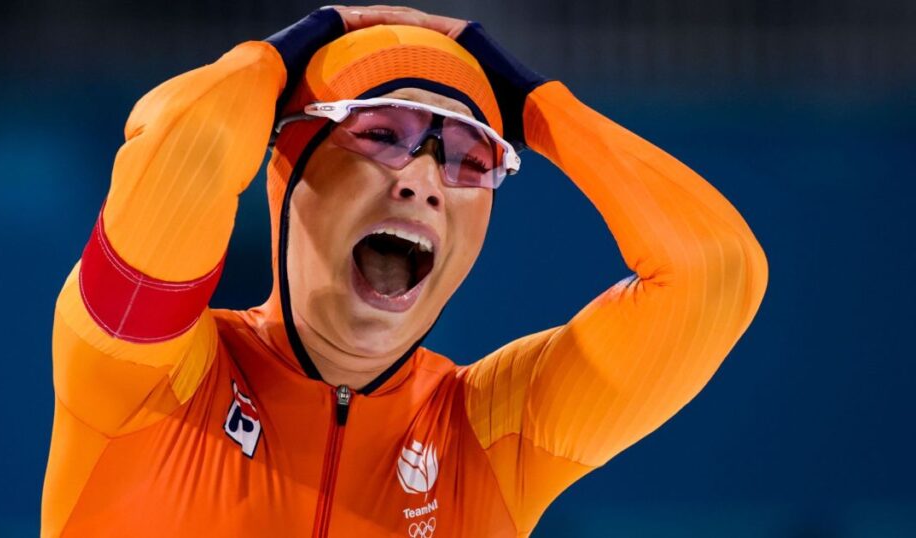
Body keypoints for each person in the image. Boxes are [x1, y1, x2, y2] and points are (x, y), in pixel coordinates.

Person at [41, 5, 769, 537]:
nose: (422, 182)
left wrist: (539, 109)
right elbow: (187, 153)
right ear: (289, 168)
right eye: (382, 134)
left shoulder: (488, 438)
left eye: (469, 158)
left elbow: (715, 273)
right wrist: (284, 53)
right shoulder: (148, 377)